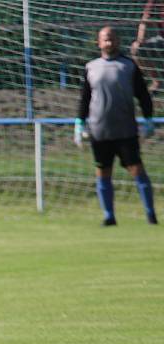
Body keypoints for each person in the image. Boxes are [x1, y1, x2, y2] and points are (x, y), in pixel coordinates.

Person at [75, 26, 157, 226]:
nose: (109, 42)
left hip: (126, 130)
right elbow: (85, 98)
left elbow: (143, 95)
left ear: (118, 41)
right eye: (105, 39)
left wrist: (148, 119)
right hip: (99, 131)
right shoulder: (91, 67)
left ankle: (150, 215)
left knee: (137, 170)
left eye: (112, 39)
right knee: (103, 172)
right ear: (99, 42)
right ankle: (109, 216)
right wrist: (79, 124)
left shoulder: (128, 66)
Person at [131, 0, 163, 93]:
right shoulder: (154, 2)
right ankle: (157, 82)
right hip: (161, 39)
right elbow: (144, 21)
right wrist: (140, 40)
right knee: (136, 48)